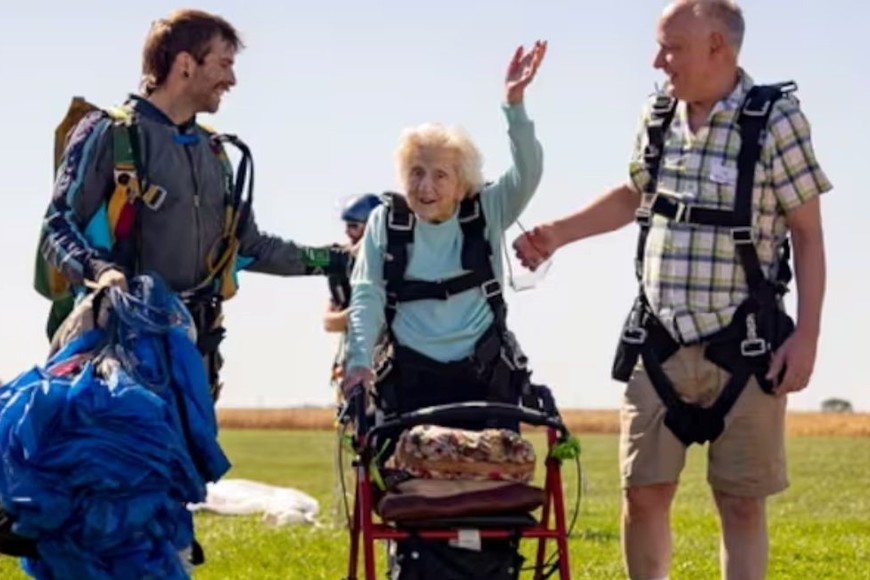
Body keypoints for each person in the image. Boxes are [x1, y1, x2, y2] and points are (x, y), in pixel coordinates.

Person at [513, 2, 831, 579]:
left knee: (740, 503)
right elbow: (634, 194)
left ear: (718, 47)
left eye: (671, 48)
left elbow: (808, 235)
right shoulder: (659, 113)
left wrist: (806, 336)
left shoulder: (774, 119)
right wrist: (556, 234)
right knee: (643, 495)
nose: (658, 61)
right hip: (656, 341)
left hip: (747, 346)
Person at [37, 9, 348, 403]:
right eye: (224, 64)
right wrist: (101, 271)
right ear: (185, 64)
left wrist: (334, 259)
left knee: (188, 465)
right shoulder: (108, 134)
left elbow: (250, 248)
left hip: (195, 358)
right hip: (116, 356)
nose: (232, 80)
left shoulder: (216, 153)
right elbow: (56, 226)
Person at [340, 39, 546, 419]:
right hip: (408, 380)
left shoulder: (486, 209)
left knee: (497, 475)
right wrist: (358, 362)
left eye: (440, 175)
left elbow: (527, 173)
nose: (425, 187)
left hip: (485, 377)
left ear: (462, 180)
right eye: (416, 173)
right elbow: (367, 295)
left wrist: (514, 106)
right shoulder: (384, 222)